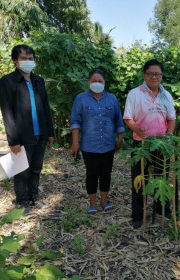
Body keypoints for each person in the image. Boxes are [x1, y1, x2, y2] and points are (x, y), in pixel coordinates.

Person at [0, 44, 55, 215]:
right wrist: (13, 140)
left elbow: (45, 107)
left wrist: (49, 132)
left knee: (36, 169)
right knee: (22, 171)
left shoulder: (38, 81)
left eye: (30, 58)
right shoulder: (8, 81)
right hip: (22, 136)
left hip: (40, 133)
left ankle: (34, 198)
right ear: (15, 60)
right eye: (23, 58)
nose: (27, 61)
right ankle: (22, 203)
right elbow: (7, 113)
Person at [123, 59, 176, 229]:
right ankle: (139, 215)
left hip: (161, 145)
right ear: (144, 75)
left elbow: (172, 119)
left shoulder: (166, 95)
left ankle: (163, 210)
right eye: (150, 73)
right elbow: (128, 118)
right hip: (142, 145)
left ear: (162, 76)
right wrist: (137, 129)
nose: (154, 77)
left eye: (157, 74)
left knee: (161, 179)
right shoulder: (135, 94)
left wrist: (168, 136)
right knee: (139, 181)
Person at [70, 69, 124, 214]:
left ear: (104, 82)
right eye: (94, 80)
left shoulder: (112, 99)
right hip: (89, 145)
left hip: (108, 144)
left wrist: (120, 138)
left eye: (100, 81)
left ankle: (104, 201)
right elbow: (75, 121)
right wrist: (75, 142)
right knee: (92, 174)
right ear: (89, 82)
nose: (97, 83)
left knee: (106, 173)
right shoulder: (81, 99)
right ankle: (92, 203)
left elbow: (118, 119)